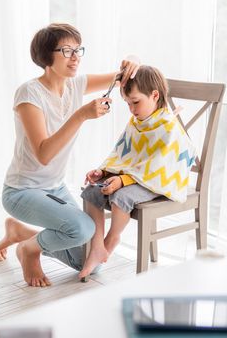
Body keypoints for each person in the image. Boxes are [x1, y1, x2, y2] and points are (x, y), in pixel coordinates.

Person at [0, 23, 139, 287]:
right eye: (66, 51)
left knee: (87, 265)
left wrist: (133, 61)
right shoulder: (29, 94)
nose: (76, 57)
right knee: (82, 229)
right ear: (46, 57)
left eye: (78, 50)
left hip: (54, 187)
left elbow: (122, 75)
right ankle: (29, 249)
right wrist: (81, 115)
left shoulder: (75, 85)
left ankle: (22, 234)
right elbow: (43, 155)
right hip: (21, 191)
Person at [79, 65, 196, 279]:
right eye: (128, 104)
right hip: (138, 176)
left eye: (135, 102)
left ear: (154, 95)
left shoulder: (168, 126)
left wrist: (123, 181)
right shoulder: (137, 121)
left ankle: (112, 239)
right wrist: (103, 171)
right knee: (93, 190)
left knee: (121, 196)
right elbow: (123, 153)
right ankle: (97, 245)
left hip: (160, 180)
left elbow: (161, 165)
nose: (132, 110)